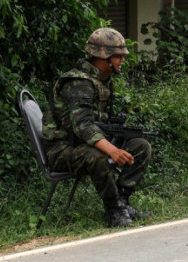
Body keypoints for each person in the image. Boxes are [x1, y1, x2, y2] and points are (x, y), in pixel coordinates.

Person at [43, 27, 152, 227]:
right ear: (104, 57)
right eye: (119, 56)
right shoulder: (78, 83)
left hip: (82, 145)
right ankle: (113, 210)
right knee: (99, 156)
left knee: (140, 145)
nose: (122, 60)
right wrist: (112, 149)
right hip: (62, 151)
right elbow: (82, 125)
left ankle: (121, 202)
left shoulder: (101, 80)